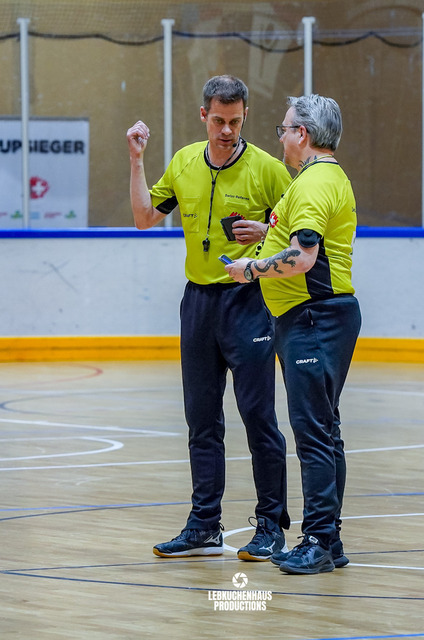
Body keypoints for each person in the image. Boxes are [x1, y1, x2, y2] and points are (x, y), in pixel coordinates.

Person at [126, 75, 291, 561]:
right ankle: (203, 526)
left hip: (249, 302)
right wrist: (136, 159)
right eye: (218, 120)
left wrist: (267, 231)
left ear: (245, 117)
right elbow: (144, 217)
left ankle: (271, 526)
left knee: (259, 417)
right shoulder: (183, 162)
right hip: (198, 305)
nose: (226, 131)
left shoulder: (267, 170)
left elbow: (303, 230)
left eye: (235, 122)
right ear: (203, 115)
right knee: (201, 420)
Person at [225, 95, 361, 575]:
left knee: (314, 432)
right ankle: (330, 539)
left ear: (302, 134)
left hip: (314, 318)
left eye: (284, 129)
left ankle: (319, 540)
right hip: (317, 317)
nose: (280, 138)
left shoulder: (313, 183)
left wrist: (250, 269)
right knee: (324, 428)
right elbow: (302, 244)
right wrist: (266, 237)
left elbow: (303, 259)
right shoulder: (321, 179)